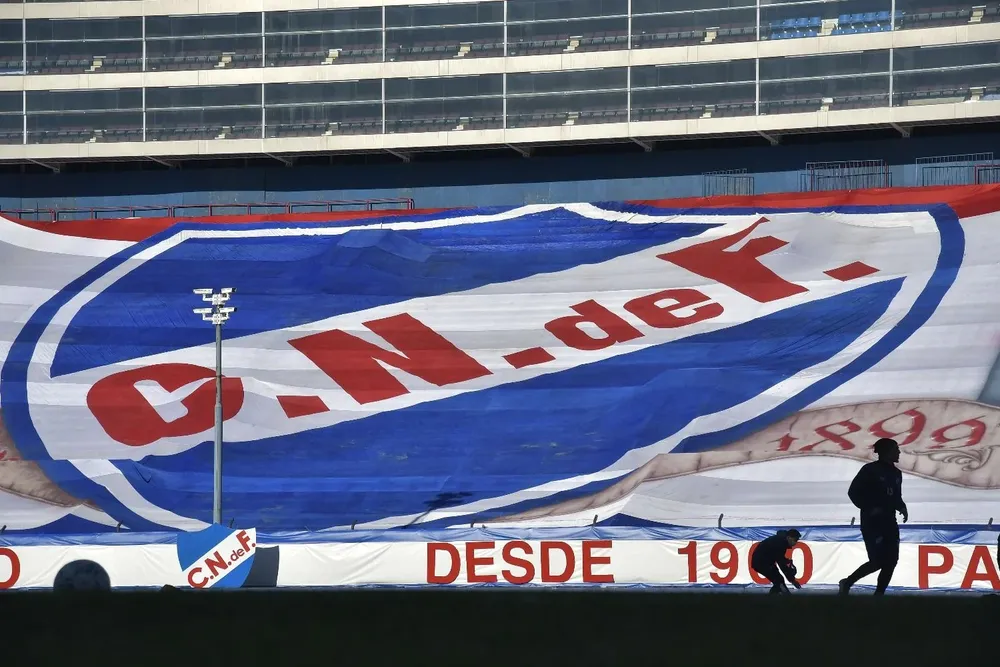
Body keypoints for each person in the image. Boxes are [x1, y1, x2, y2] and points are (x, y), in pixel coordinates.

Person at [839, 437, 908, 596]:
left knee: (892, 561)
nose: (898, 452)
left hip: (890, 522)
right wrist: (870, 508)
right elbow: (853, 492)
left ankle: (879, 595)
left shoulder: (897, 473)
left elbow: (896, 496)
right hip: (872, 523)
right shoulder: (869, 470)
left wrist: (902, 506)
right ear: (886, 451)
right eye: (895, 449)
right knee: (877, 561)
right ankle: (847, 582)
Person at [750, 528, 803, 594]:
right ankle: (786, 597)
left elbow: (780, 559)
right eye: (795, 540)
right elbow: (781, 563)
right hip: (761, 562)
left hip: (764, 561)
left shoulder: (781, 540)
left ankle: (773, 598)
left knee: (778, 580)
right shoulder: (780, 543)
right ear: (789, 537)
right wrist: (792, 580)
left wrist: (792, 579)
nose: (796, 543)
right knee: (778, 580)